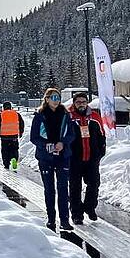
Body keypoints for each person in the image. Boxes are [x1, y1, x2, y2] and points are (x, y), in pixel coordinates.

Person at [30, 88, 76, 231]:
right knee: (49, 189)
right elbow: (34, 137)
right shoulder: (39, 115)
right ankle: (51, 219)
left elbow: (71, 134)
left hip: (63, 156)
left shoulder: (65, 114)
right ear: (47, 99)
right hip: (46, 157)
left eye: (58, 97)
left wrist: (63, 143)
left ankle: (64, 220)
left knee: (63, 188)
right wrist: (46, 145)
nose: (56, 100)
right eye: (53, 97)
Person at [68, 92, 107, 224]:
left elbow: (102, 135)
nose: (81, 105)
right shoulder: (68, 117)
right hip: (74, 159)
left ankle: (90, 207)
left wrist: (100, 151)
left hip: (92, 158)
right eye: (78, 102)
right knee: (75, 187)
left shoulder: (95, 117)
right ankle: (76, 213)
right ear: (74, 103)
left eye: (84, 102)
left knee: (94, 184)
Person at [0, 101, 25, 170]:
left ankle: (6, 164)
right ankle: (14, 159)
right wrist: (21, 132)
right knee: (14, 149)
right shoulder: (16, 114)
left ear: (3, 107)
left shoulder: (1, 115)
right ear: (11, 107)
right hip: (14, 136)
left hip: (4, 137)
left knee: (5, 151)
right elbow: (21, 123)